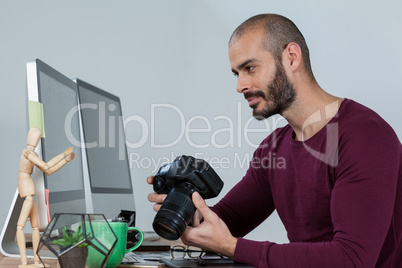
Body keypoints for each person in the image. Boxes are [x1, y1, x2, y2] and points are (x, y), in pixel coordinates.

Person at [147, 14, 402, 267]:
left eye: (250, 68)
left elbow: (352, 260)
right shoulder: (273, 150)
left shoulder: (365, 136)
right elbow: (225, 223)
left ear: (291, 57)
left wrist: (232, 247)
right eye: (236, 73)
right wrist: (185, 208)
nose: (240, 85)